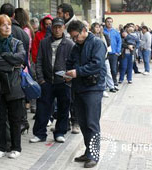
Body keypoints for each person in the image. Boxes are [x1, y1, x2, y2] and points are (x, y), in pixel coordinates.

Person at [0, 14, 26, 159]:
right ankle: (1, 146)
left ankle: (16, 147)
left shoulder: (17, 42)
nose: (7, 27)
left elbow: (21, 58)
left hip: (15, 85)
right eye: (3, 25)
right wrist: (11, 65)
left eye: (8, 24)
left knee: (15, 119)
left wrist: (5, 56)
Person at [66, 20, 107, 168]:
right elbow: (70, 62)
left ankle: (94, 155)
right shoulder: (76, 46)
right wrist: (68, 73)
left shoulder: (97, 43)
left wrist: (77, 72)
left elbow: (97, 64)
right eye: (73, 37)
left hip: (93, 88)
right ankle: (88, 151)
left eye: (76, 36)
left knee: (92, 123)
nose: (75, 40)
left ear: (84, 30)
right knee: (83, 122)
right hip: (78, 88)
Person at [29, 18, 74, 143]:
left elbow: (73, 63)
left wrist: (68, 79)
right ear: (51, 28)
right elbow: (38, 61)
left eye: (60, 27)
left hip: (63, 82)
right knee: (42, 108)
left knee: (63, 108)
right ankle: (39, 133)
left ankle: (60, 132)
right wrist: (41, 79)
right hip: (47, 81)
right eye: (55, 27)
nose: (57, 29)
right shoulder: (44, 42)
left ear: (64, 27)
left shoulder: (69, 44)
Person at [57, 3, 79, 134]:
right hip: (63, 66)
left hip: (74, 67)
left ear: (67, 14)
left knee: (73, 97)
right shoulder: (61, 25)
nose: (58, 16)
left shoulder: (76, 25)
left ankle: (75, 122)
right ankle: (63, 124)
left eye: (59, 13)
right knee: (64, 97)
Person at [90, 22, 116, 98]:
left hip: (104, 57)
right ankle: (102, 89)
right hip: (95, 58)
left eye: (99, 27)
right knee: (98, 74)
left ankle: (111, 86)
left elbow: (107, 45)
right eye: (96, 27)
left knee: (107, 72)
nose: (98, 29)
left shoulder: (103, 36)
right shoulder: (91, 36)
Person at [103, 17, 122, 90]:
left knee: (114, 69)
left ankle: (115, 83)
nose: (109, 23)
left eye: (111, 21)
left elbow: (119, 41)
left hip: (114, 53)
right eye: (108, 21)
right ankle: (107, 84)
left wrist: (117, 51)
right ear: (105, 22)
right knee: (106, 70)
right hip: (106, 53)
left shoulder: (115, 32)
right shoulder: (103, 31)